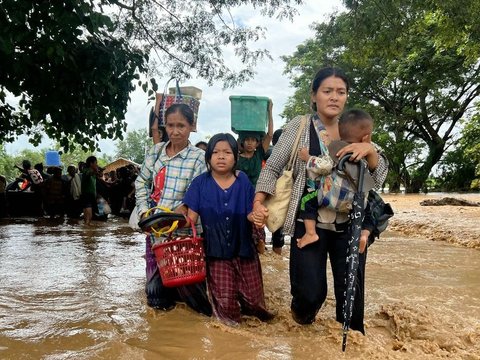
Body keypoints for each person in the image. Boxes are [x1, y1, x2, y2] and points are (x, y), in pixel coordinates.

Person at [252, 67, 388, 333]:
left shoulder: (356, 125)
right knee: (309, 295)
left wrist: (370, 151)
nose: (334, 97)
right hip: (309, 218)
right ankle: (302, 335)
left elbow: (379, 177)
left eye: (341, 92)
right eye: (327, 91)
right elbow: (272, 167)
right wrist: (258, 202)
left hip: (350, 222)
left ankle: (350, 345)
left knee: (351, 300)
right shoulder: (299, 126)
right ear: (314, 95)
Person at [183, 133, 274, 325]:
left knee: (255, 305)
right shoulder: (199, 183)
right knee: (225, 309)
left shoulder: (243, 182)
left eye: (227, 152)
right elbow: (191, 219)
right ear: (208, 157)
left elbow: (250, 213)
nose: (221, 156)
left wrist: (258, 216)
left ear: (236, 157)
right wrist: (168, 222)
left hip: (245, 250)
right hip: (216, 254)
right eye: (215, 152)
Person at [135, 103, 211, 315]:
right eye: (170, 125)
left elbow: (197, 191)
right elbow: (141, 182)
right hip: (156, 233)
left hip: (185, 235)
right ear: (164, 126)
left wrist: (184, 207)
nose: (175, 131)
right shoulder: (156, 152)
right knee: (156, 297)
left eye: (181, 125)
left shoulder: (198, 157)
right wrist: (143, 212)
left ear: (191, 126)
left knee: (194, 297)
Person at [296, 108, 375, 249]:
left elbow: (324, 166)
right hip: (356, 203)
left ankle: (310, 233)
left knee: (307, 200)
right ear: (366, 138)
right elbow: (374, 173)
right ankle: (363, 235)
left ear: (339, 132)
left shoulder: (337, 150)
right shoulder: (366, 156)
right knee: (369, 211)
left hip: (330, 197)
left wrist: (307, 158)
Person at [237, 99, 274, 254]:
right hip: (240, 196)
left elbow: (270, 134)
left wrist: (269, 111)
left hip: (257, 196)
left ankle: (259, 248)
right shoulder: (235, 157)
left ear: (258, 143)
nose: (250, 143)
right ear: (242, 142)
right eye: (247, 140)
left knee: (258, 227)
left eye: (253, 140)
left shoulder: (259, 154)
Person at [81, 156, 99, 225]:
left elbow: (99, 175)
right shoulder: (86, 170)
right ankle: (87, 233)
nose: (97, 164)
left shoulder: (92, 171)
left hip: (90, 195)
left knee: (88, 218)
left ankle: (86, 232)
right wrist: (95, 170)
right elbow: (89, 174)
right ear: (91, 164)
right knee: (89, 217)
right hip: (87, 195)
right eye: (96, 163)